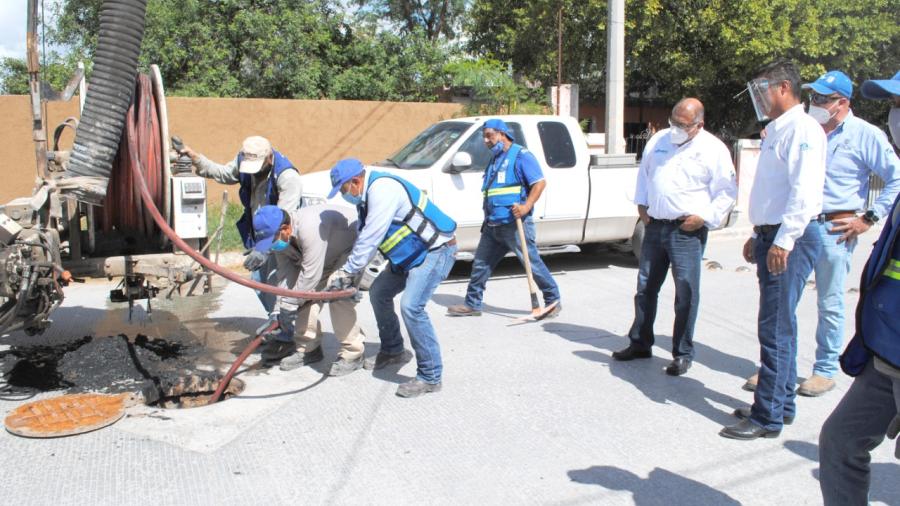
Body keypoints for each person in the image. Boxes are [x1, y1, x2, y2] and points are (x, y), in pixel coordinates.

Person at [744, 71, 900, 397]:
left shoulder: (864, 134)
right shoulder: (806, 130)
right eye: (813, 97)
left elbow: (895, 179)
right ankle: (776, 369)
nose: (815, 103)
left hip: (835, 229)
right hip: (798, 227)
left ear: (843, 102)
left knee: (829, 302)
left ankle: (824, 369)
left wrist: (868, 218)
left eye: (823, 99)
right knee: (783, 303)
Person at [719, 59, 827, 440]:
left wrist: (782, 239)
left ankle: (767, 417)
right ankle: (781, 403)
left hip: (790, 238)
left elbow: (804, 190)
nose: (759, 98)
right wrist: (758, 233)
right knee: (782, 325)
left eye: (763, 89)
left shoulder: (803, 130)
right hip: (775, 233)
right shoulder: (780, 130)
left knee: (774, 329)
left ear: (783, 88)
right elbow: (774, 191)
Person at [819, 70, 900, 506]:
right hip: (886, 355)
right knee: (840, 443)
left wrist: (865, 217)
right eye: (893, 107)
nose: (893, 118)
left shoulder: (864, 137)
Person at [611, 98, 737, 376]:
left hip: (686, 231)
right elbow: (645, 175)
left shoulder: (713, 149)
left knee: (685, 294)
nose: (675, 128)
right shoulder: (658, 140)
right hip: (655, 226)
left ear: (698, 125)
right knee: (645, 288)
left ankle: (682, 353)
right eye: (673, 121)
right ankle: (640, 342)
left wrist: (703, 217)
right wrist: (642, 206)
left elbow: (726, 192)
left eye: (682, 125)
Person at [325, 158, 457, 398]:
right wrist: (356, 278)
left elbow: (372, 236)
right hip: (407, 256)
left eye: (344, 189)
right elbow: (366, 238)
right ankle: (395, 350)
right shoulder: (365, 199)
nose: (344, 195)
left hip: (434, 251)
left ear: (355, 181)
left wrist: (348, 271)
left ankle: (430, 376)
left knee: (411, 307)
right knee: (379, 293)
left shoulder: (383, 189)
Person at [446, 118, 561, 318]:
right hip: (492, 224)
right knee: (480, 264)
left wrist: (526, 206)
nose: (486, 140)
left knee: (531, 263)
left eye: (489, 135)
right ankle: (473, 304)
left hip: (515, 224)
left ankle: (552, 300)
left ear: (502, 133)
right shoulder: (495, 158)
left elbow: (539, 183)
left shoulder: (521, 156)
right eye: (484, 136)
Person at [179, 136, 302, 313]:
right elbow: (223, 173)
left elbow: (284, 220)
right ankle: (279, 322)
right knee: (259, 282)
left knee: (280, 284)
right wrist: (196, 158)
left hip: (281, 239)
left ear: (268, 158)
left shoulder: (287, 177)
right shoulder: (244, 161)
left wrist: (263, 249)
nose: (252, 173)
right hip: (261, 235)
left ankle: (286, 326)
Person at [250, 205, 365, 376]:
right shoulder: (282, 240)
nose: (272, 246)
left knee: (337, 295)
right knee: (301, 296)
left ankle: (353, 353)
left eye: (272, 241)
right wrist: (278, 310)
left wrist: (290, 304)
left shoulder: (309, 227)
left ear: (285, 229)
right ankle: (308, 348)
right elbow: (285, 276)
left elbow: (310, 277)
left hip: (348, 252)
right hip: (323, 257)